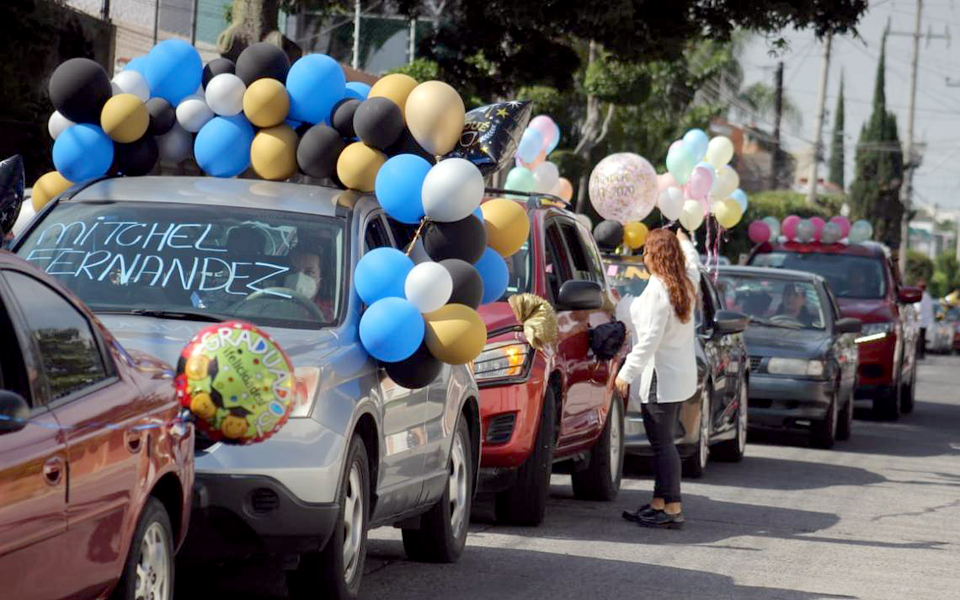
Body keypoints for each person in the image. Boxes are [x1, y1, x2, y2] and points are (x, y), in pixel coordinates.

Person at [616, 228, 699, 529]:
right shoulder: (686, 283)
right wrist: (684, 239)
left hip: (659, 379)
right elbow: (693, 260)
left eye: (648, 251)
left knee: (662, 445)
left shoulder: (658, 289)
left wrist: (626, 374)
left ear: (656, 255)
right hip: (678, 378)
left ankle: (672, 507)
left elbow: (649, 340)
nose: (644, 256)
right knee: (664, 443)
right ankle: (659, 503)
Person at [283, 246, 334, 322]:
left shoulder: (331, 313)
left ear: (320, 277)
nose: (299, 278)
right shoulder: (272, 307)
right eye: (294, 270)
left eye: (309, 272)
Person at [918, 279, 933, 359]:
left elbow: (918, 308)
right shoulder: (927, 297)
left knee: (920, 338)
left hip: (920, 321)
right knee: (921, 338)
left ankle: (920, 353)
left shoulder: (922, 296)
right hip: (923, 321)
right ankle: (921, 353)